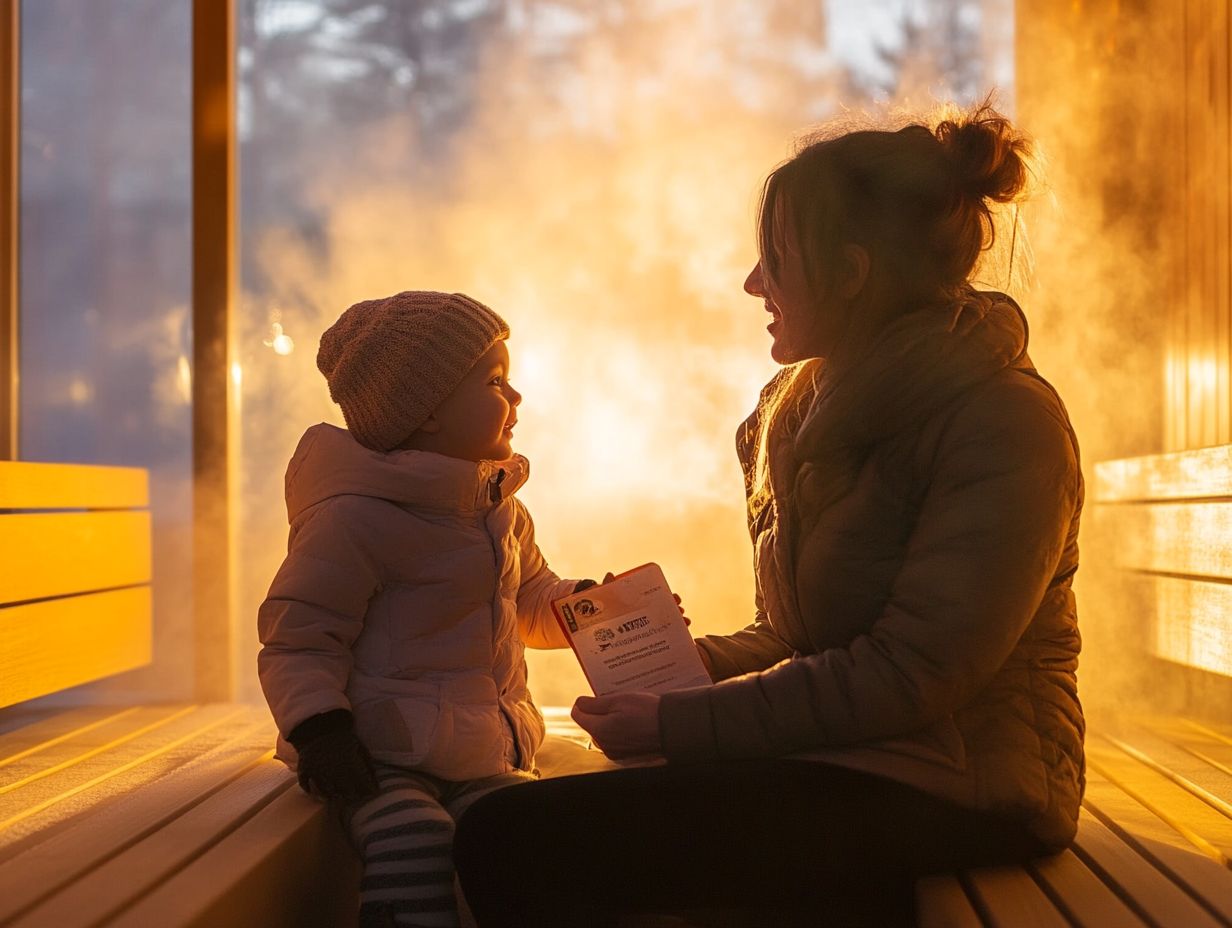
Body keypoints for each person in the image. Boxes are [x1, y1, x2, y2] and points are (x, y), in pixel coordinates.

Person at [452, 102, 1084, 927]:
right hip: (862, 754)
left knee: (510, 838)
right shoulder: (802, 410)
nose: (754, 284)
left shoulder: (1001, 421)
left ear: (852, 272)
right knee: (533, 808)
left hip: (969, 782)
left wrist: (679, 720)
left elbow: (912, 672)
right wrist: (666, 665)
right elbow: (798, 640)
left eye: (776, 260)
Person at [257, 291, 592, 928]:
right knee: (414, 838)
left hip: (483, 753)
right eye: (495, 380)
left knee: (533, 833)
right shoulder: (354, 517)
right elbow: (299, 637)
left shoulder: (500, 513)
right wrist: (321, 732)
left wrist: (595, 609)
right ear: (429, 412)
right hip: (378, 759)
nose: (516, 397)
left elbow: (531, 602)